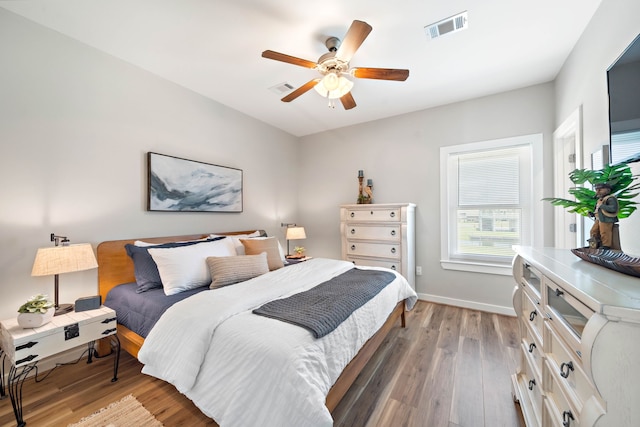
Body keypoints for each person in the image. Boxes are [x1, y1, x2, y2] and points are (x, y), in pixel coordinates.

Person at [588, 182, 619, 249]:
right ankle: (595, 244)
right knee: (593, 231)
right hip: (598, 219)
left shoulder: (610, 199)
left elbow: (613, 208)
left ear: (607, 190)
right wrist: (593, 214)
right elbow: (597, 210)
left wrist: (602, 206)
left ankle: (606, 246)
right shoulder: (599, 200)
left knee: (605, 232)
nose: (598, 191)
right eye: (597, 190)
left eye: (600, 189)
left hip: (606, 219)